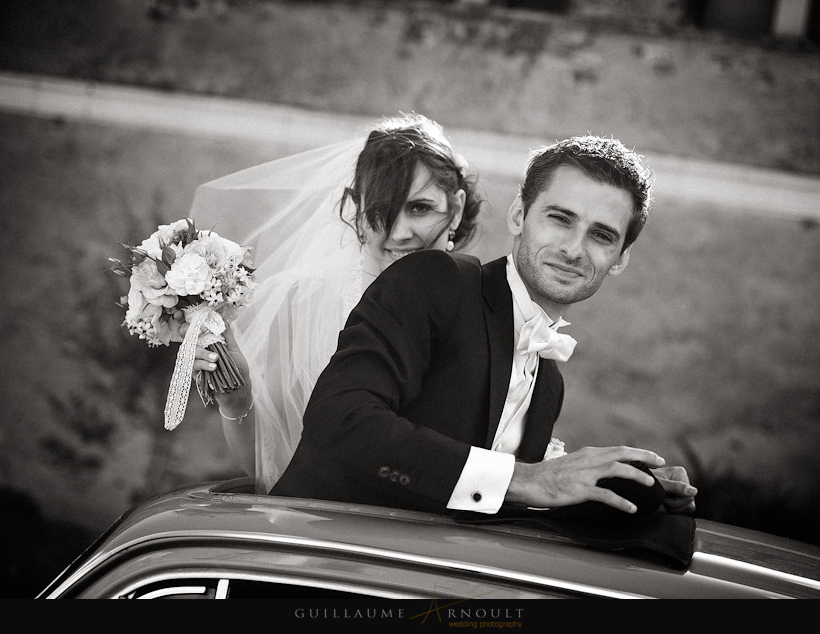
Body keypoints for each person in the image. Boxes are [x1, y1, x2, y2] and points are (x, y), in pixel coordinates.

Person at [270, 135, 697, 517]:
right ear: (518, 215)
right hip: (308, 560)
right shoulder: (436, 279)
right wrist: (529, 479)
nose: (573, 249)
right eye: (560, 218)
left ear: (620, 259)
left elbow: (490, 501)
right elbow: (339, 418)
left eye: (601, 235)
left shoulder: (549, 385)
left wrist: (629, 489)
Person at [188, 113, 489, 493]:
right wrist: (237, 401)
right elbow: (270, 470)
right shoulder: (300, 302)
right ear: (356, 209)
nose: (399, 232)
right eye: (381, 209)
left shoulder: (487, 309)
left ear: (456, 209)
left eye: (419, 208)